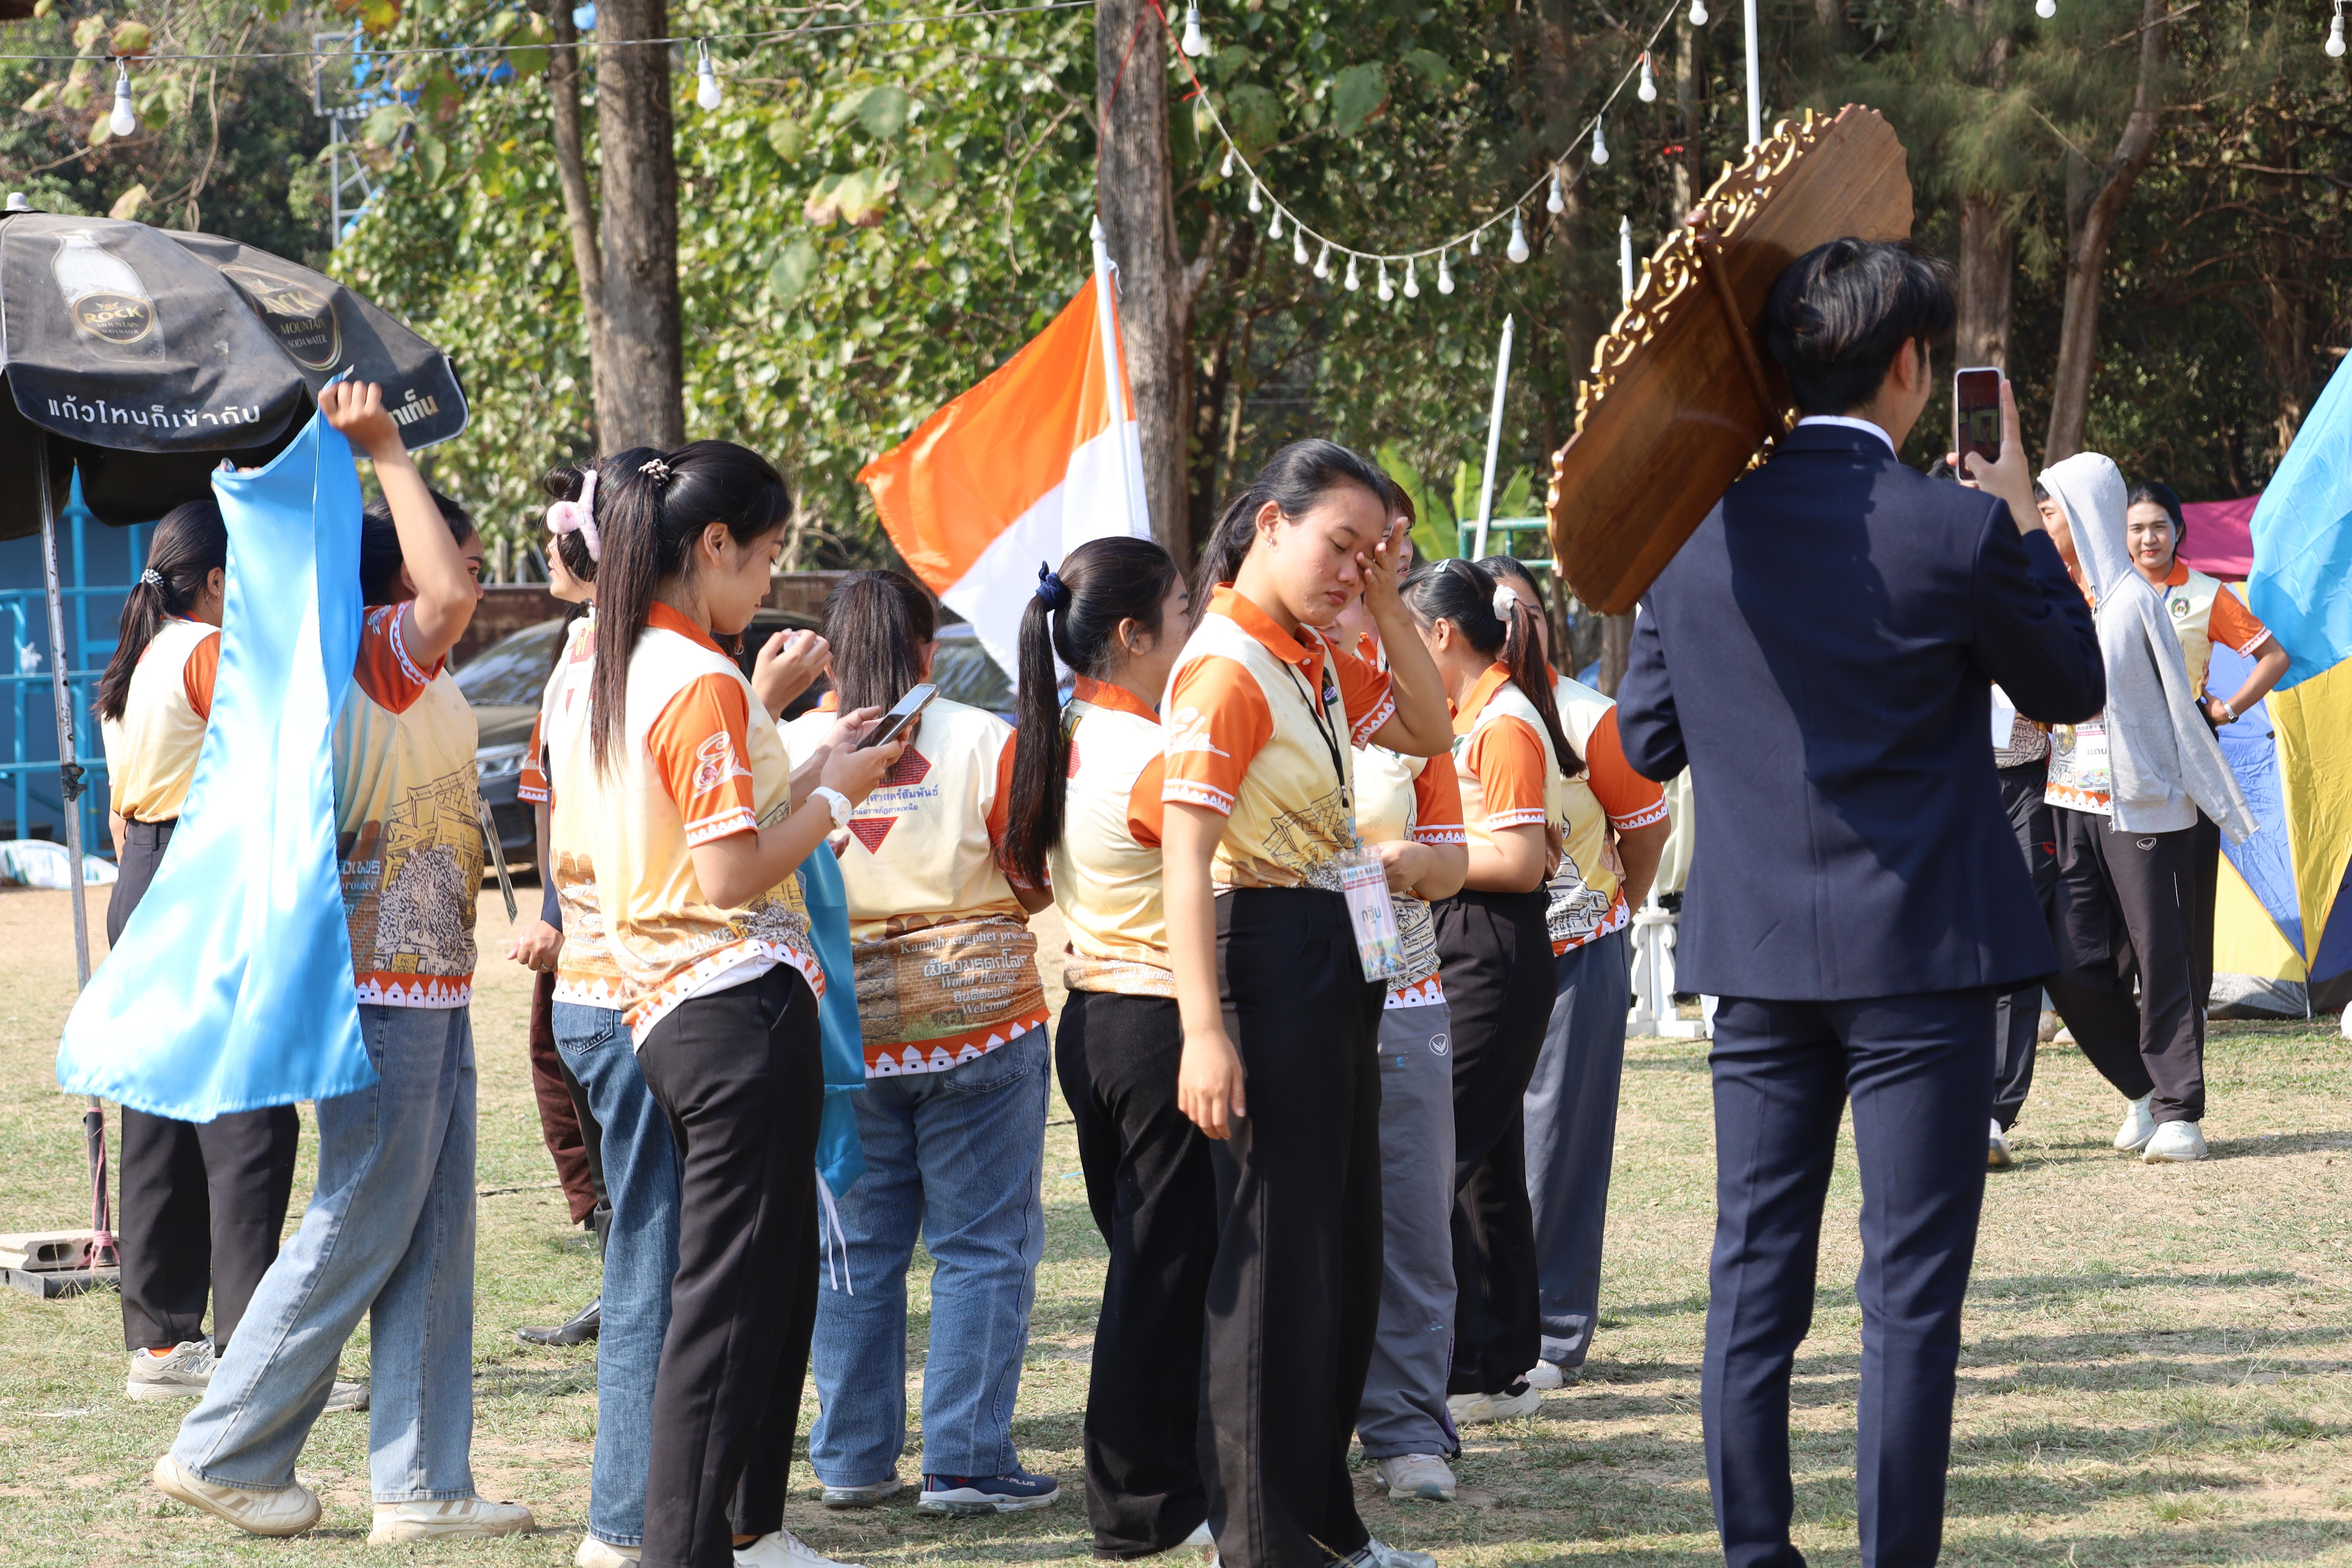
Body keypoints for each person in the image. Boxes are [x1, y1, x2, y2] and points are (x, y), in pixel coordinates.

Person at [1614, 239, 2104, 1566]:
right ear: (1907, 367)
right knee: (1908, 1301)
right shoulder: (1954, 527)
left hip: (1758, 958)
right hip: (1926, 963)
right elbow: (2071, 683)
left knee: (1752, 1283)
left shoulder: (1695, 531)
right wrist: (2018, 516)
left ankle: (1756, 1554)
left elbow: (1648, 741)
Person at [154, 382, 532, 1542]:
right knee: (362, 1213)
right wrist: (387, 453)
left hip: (430, 981)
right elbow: (451, 589)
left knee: (429, 1231)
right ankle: (223, 1444)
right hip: (383, 990)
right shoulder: (370, 654)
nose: (458, 582)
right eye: (433, 551)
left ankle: (421, 1487)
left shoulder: (390, 670)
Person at [551, 442, 900, 1568]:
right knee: (722, 1312)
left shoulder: (621, 665)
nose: (769, 584)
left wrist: (812, 776)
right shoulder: (696, 678)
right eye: (763, 559)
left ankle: (734, 1535)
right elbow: (729, 873)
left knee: (748, 1292)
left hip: (681, 1004)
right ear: (710, 547)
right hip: (730, 1000)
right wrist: (837, 797)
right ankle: (685, 1547)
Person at [1160, 439, 1453, 1568]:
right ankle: (1261, 1541)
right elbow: (1187, 860)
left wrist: (1381, 600)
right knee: (1272, 1262)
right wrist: (1203, 1028)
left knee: (1333, 1254)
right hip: (1267, 954)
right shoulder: (1229, 664)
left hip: (1334, 954)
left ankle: (1324, 1525)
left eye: (1372, 552)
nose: (1354, 569)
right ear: (1271, 525)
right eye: (1340, 544)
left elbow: (1430, 729)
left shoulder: (1318, 655)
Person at [783, 570, 1062, 1518]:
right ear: (928, 652)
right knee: (983, 1244)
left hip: (844, 1031)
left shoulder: (792, 745)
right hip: (978, 1023)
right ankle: (967, 1459)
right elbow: (1030, 885)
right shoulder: (988, 739)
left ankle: (854, 1460)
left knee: (856, 1247)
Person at [1001, 537, 1214, 1556]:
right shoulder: (1147, 757)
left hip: (1097, 1019)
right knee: (1164, 1271)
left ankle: (1155, 1481)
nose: (1196, 621)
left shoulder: (1074, 729)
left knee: (1150, 1261)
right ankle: (1143, 1500)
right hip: (1158, 1024)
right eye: (1182, 607)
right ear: (1132, 636)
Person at [95, 501, 314, 1409]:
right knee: (250, 1123)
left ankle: (161, 1339)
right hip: (195, 879)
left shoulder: (147, 655)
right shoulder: (206, 651)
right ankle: (250, 1348)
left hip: (147, 875)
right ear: (220, 579)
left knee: (161, 1122)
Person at [1481, 556, 1670, 1386]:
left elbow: (1646, 832)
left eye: (1527, 611)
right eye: (1498, 613)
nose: (1515, 627)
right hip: (1479, 961)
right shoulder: (1455, 717)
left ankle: (1554, 1332)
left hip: (1577, 955)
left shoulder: (1591, 718)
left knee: (1559, 1148)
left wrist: (1606, 904)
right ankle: (1488, 1320)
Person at [1393, 559, 1573, 1430]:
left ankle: (1458, 1359)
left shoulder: (1501, 724)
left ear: (1441, 635)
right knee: (1487, 1164)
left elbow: (1522, 860)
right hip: (1473, 940)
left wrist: (1419, 857)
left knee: (1445, 1153)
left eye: (1403, 634)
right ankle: (1494, 1358)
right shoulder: (1474, 715)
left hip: (1489, 946)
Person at [2038, 457, 2255, 1167]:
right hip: (2070, 804)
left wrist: (2212, 798)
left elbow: (2180, 711)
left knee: (2165, 958)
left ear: (2085, 515)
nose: (2046, 520)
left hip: (2144, 808)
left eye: (2054, 508)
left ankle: (2178, 1111)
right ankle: (2140, 1087)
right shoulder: (2069, 596)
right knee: (2068, 962)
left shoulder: (2137, 601)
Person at [1331, 520, 1471, 1507]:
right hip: (1285, 991)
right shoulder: (1241, 684)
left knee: (1413, 1219)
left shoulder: (1402, 702)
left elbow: (1454, 855)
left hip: (1400, 985)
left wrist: (1419, 867)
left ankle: (1409, 1426)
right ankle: (1297, 1417)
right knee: (1297, 1222)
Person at [2124, 480, 2289, 1010]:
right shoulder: (2107, 591)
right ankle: (2124, 1006)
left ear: (2179, 530)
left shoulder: (2205, 593)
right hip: (2121, 752)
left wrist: (2228, 708)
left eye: (2158, 526)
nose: (2148, 538)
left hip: (2189, 749)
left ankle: (2189, 1008)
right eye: (2136, 528)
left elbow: (2274, 657)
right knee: (2127, 882)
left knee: (2190, 888)